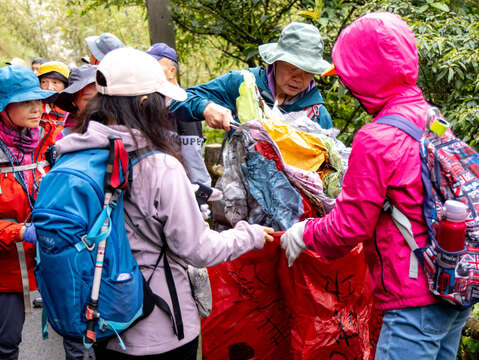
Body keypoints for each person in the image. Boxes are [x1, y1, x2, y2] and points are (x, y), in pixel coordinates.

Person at [53, 47, 274, 359]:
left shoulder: (72, 153)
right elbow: (198, 250)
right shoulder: (158, 166)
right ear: (146, 103)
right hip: (160, 326)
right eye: (162, 99)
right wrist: (249, 235)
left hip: (105, 322)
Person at [280, 12, 471, 360]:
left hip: (415, 300)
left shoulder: (377, 138)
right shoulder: (433, 119)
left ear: (365, 75)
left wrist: (304, 234)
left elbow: (347, 228)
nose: (350, 89)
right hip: (452, 282)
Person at [170, 21, 333, 132]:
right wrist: (205, 107)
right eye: (292, 68)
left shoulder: (317, 115)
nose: (298, 78)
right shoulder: (243, 85)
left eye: (307, 71)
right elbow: (176, 100)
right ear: (276, 60)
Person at [0, 65, 55, 360]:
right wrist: (20, 231)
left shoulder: (47, 142)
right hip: (4, 269)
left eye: (39, 99)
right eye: (25, 101)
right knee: (5, 343)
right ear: (3, 106)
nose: (37, 108)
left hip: (45, 258)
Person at [147, 43, 211, 186]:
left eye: (154, 65)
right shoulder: (150, 103)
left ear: (171, 71)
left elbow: (192, 155)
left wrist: (201, 194)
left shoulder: (184, 103)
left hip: (181, 189)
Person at [54, 64, 97, 136]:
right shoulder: (66, 138)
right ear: (74, 101)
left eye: (101, 97)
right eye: (88, 99)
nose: (97, 103)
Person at [37, 61, 70, 149]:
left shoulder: (70, 114)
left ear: (65, 86)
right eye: (44, 82)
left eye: (55, 83)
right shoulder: (34, 109)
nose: (49, 88)